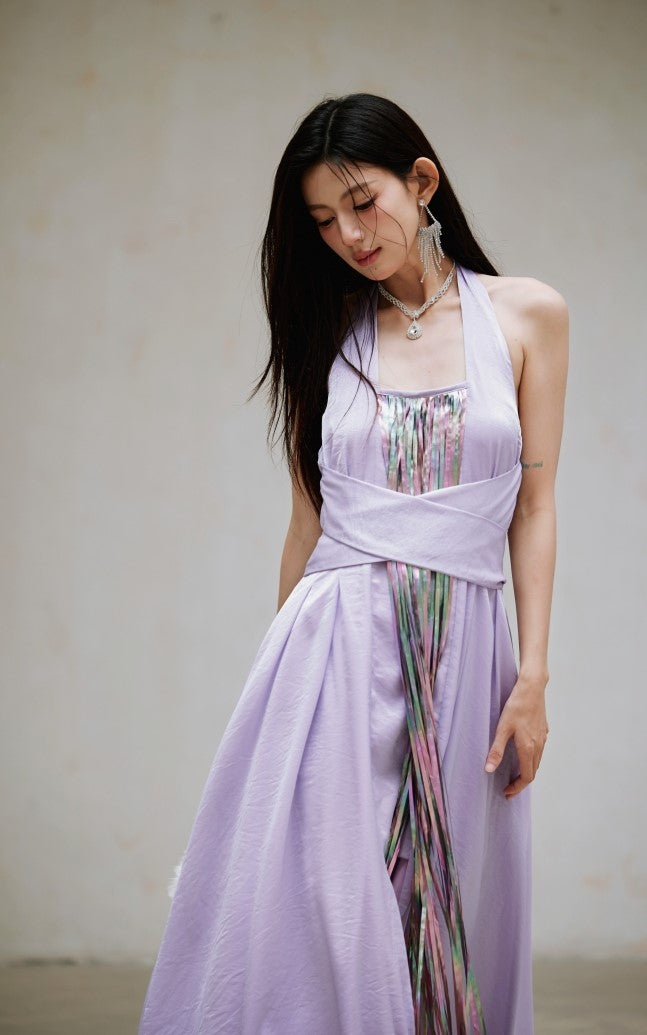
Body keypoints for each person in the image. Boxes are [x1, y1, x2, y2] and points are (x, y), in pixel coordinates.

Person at [138, 93, 569, 1035]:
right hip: (334, 645)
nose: (348, 235)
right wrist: (276, 688)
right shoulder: (326, 332)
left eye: (362, 203)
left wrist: (532, 677)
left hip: (469, 650)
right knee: (323, 900)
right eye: (324, 220)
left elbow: (533, 508)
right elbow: (307, 522)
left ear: (422, 181)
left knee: (443, 895)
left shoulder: (528, 315)